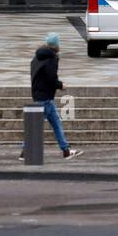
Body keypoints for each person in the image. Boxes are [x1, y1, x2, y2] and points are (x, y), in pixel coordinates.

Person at [22, 32, 82, 160]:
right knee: (35, 126)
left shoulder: (36, 57)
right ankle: (24, 152)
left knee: (56, 124)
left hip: (39, 94)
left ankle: (66, 151)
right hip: (45, 99)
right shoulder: (52, 58)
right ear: (56, 45)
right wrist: (61, 85)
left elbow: (38, 76)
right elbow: (51, 78)